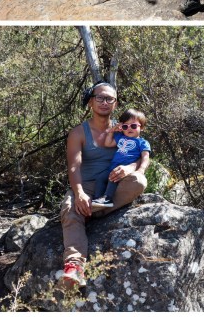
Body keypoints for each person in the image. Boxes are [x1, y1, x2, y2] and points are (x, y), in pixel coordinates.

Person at [60, 83, 149, 287]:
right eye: (99, 97)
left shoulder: (126, 128)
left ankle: (94, 211)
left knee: (139, 181)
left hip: (114, 185)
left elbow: (142, 155)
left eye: (110, 99)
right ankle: (74, 267)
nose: (104, 102)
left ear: (115, 104)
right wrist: (79, 193)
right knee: (70, 208)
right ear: (91, 102)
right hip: (87, 186)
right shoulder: (78, 133)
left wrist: (130, 168)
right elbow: (73, 167)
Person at [91, 109, 151, 210]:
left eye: (133, 126)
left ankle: (107, 199)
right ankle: (97, 199)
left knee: (113, 178)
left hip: (125, 169)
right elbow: (108, 144)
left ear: (142, 127)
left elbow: (145, 157)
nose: (129, 128)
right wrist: (111, 131)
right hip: (112, 167)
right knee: (100, 178)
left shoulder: (142, 142)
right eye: (125, 126)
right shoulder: (121, 137)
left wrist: (141, 169)